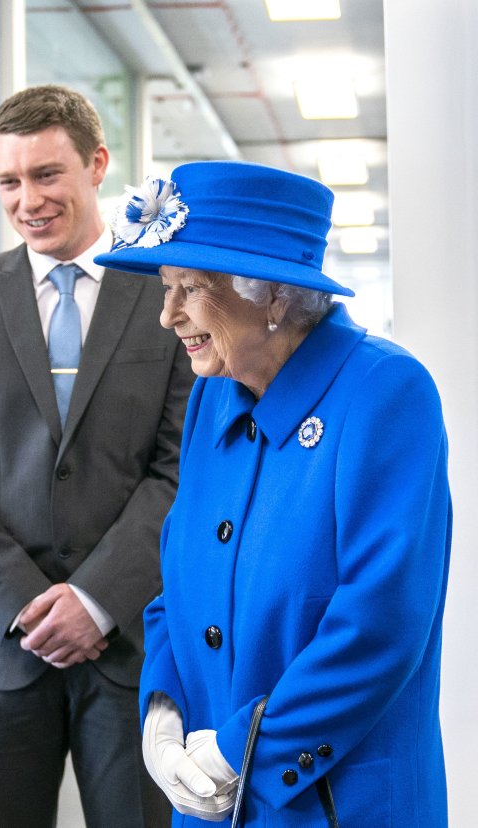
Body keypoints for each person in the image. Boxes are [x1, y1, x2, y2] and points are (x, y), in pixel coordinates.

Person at [94, 159, 451, 826]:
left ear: (276, 296)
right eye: (166, 287)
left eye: (191, 288)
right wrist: (163, 714)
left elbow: (380, 622)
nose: (168, 315)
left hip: (333, 804)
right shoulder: (210, 398)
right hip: (208, 803)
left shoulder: (387, 394)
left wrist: (239, 751)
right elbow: (177, 585)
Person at [0, 84, 192, 828]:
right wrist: (26, 605)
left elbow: (181, 469)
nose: (27, 199)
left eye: (46, 175)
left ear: (96, 165)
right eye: (9, 181)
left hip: (130, 645)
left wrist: (95, 600)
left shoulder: (168, 294)